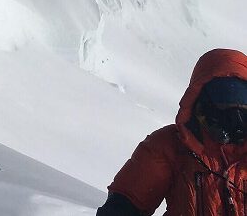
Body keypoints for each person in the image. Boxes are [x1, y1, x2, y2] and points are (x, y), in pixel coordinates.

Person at [98, 48, 247, 215]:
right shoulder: (170, 146)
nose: (235, 106)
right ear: (200, 96)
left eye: (243, 97)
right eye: (224, 94)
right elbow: (123, 206)